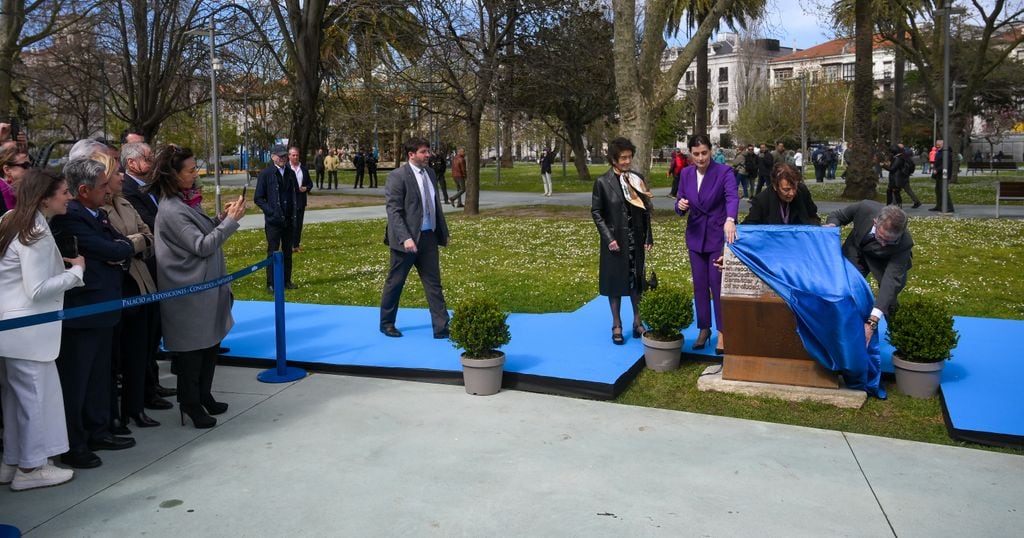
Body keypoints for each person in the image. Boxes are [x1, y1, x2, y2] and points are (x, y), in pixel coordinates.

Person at [150, 145, 246, 429]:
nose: (195, 174)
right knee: (193, 352)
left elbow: (201, 234)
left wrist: (219, 220)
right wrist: (229, 223)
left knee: (209, 346)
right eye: (190, 170)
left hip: (204, 288)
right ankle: (190, 403)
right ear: (174, 174)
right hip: (189, 292)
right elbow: (201, 246)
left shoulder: (184, 202)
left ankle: (204, 395)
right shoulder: (171, 209)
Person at [50, 159, 137, 470]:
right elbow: (110, 250)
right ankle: (75, 444)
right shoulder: (70, 219)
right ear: (83, 190)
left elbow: (123, 244)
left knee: (100, 376)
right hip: (83, 312)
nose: (107, 191)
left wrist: (117, 250)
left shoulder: (95, 213)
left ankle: (99, 430)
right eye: (102, 186)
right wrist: (115, 251)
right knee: (78, 381)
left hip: (105, 308)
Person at [0, 170, 84, 490]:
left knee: (16, 400)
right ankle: (32, 467)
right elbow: (37, 289)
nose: (69, 196)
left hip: (13, 330)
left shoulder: (11, 219)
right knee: (35, 398)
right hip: (29, 331)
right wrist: (75, 272)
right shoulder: (33, 228)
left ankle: (13, 461)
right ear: (45, 197)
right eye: (63, 191)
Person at [97, 153, 161, 429]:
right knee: (115, 357)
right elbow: (111, 245)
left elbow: (148, 235)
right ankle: (112, 415)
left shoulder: (124, 202)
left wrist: (128, 244)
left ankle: (135, 408)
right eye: (116, 173)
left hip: (141, 282)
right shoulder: (99, 210)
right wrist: (131, 243)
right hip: (118, 286)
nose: (121, 177)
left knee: (139, 349)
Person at [120, 142, 176, 411]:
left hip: (157, 268)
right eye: (148, 158)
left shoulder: (148, 187)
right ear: (132, 163)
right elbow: (149, 227)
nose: (152, 162)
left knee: (153, 334)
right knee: (143, 337)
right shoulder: (128, 191)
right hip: (143, 270)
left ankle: (152, 385)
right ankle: (145, 392)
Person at [379, 137, 450, 339]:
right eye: (423, 152)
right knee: (396, 282)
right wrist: (405, 238)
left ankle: (441, 327)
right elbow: (394, 211)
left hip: (428, 238)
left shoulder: (430, 173)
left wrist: (442, 233)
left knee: (434, 284)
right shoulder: (397, 176)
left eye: (427, 151)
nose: (427, 155)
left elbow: (435, 206)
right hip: (406, 242)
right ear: (411, 155)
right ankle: (386, 323)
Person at [676, 134, 738, 354]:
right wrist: (680, 205)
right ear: (690, 154)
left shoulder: (724, 172)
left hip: (716, 236)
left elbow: (732, 198)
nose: (700, 158)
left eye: (704, 153)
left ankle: (723, 332)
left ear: (710, 151)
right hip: (695, 236)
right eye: (696, 154)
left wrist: (730, 220)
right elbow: (680, 201)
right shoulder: (685, 173)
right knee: (699, 285)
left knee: (717, 284)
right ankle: (704, 328)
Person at [590, 137, 653, 344]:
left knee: (637, 282)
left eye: (629, 157)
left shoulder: (637, 178)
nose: (627, 161)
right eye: (623, 158)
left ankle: (637, 321)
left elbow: (646, 211)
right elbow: (597, 213)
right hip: (615, 241)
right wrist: (608, 238)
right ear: (613, 159)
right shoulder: (602, 182)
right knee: (615, 282)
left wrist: (648, 236)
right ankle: (616, 324)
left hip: (636, 238)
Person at [826, 201, 913, 345]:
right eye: (881, 238)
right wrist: (831, 225)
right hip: (857, 250)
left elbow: (890, 283)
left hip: (886, 263)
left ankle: (901, 339)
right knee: (846, 290)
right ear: (875, 222)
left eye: (890, 241)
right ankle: (841, 334)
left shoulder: (904, 243)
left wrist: (872, 323)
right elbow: (837, 215)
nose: (884, 244)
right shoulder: (865, 208)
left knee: (889, 300)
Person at [254, 144, 298, 293]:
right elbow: (258, 198)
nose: (282, 159)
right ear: (273, 156)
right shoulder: (266, 174)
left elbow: (294, 193)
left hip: (288, 219)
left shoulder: (290, 173)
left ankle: (286, 280)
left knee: (287, 251)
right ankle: (271, 283)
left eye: (284, 156)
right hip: (274, 221)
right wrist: (270, 212)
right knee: (273, 251)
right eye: (279, 156)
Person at [744, 163, 820, 225]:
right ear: (775, 186)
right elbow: (750, 227)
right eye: (786, 189)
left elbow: (812, 216)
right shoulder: (761, 201)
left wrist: (818, 226)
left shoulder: (802, 191)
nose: (792, 193)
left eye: (794, 188)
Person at [287, 147, 312, 251]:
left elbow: (310, 183)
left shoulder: (304, 169)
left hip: (301, 199)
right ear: (289, 156)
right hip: (289, 200)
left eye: (297, 155)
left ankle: (296, 245)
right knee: (290, 223)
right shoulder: (286, 168)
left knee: (299, 223)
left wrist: (306, 188)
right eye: (293, 155)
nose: (295, 157)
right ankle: (288, 245)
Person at [881, 144, 921, 209]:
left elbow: (893, 168)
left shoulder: (900, 157)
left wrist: (883, 165)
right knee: (897, 190)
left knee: (897, 191)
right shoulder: (902, 155)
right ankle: (897, 204)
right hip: (901, 176)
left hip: (900, 177)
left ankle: (897, 205)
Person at [0, 146, 31, 214]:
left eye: (30, 165)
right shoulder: (2, 192)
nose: (30, 170)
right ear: (7, 170)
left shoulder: (19, 190)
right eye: (25, 166)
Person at [930, 140, 954, 213]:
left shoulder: (946, 153)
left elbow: (945, 164)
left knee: (943, 190)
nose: (937, 145)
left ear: (943, 145)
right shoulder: (939, 152)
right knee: (938, 190)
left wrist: (937, 169)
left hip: (943, 173)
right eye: (937, 144)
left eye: (939, 144)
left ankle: (949, 207)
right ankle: (939, 206)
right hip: (939, 174)